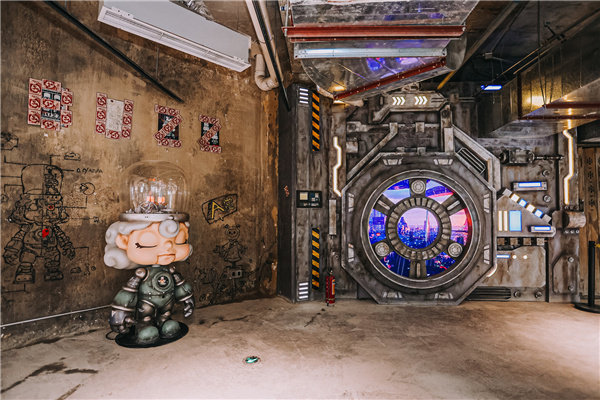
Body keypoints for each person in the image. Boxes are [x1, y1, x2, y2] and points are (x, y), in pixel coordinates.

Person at [104, 218, 194, 345]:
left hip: (167, 302)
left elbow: (180, 285)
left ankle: (165, 321)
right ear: (124, 241)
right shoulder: (142, 273)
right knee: (146, 320)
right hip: (146, 304)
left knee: (167, 318)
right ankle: (144, 325)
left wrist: (187, 298)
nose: (168, 247)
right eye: (148, 242)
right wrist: (119, 312)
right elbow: (128, 292)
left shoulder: (170, 270)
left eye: (180, 240)